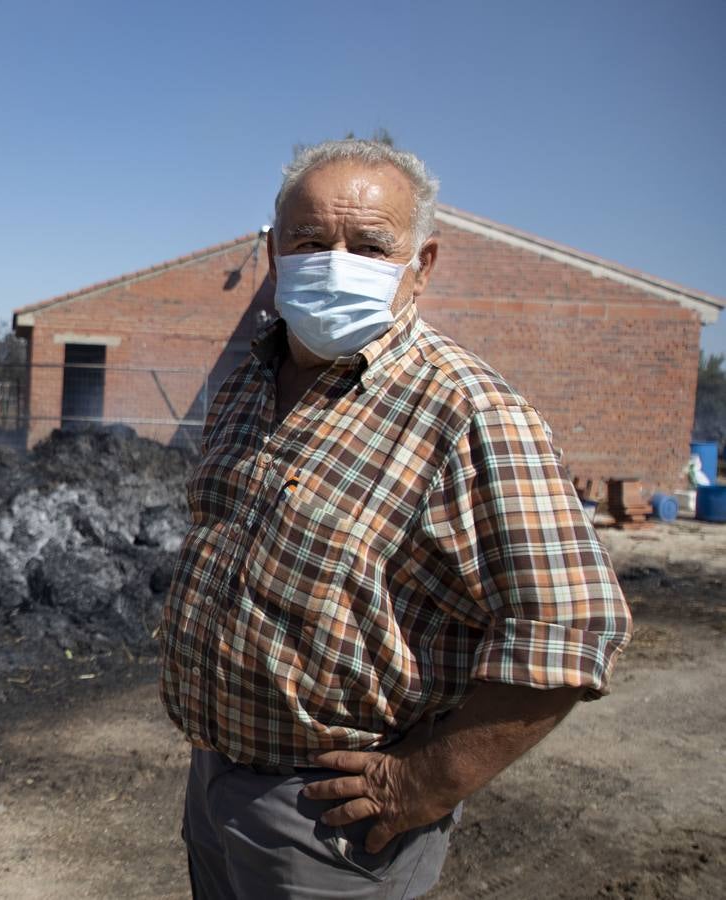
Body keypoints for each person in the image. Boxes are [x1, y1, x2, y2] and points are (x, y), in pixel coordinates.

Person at [158, 139, 632, 899]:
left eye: (369, 245)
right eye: (310, 241)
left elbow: (570, 629)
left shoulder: (470, 414)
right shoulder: (251, 381)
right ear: (274, 255)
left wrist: (424, 781)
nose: (334, 261)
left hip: (330, 822)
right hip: (214, 780)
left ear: (424, 263)